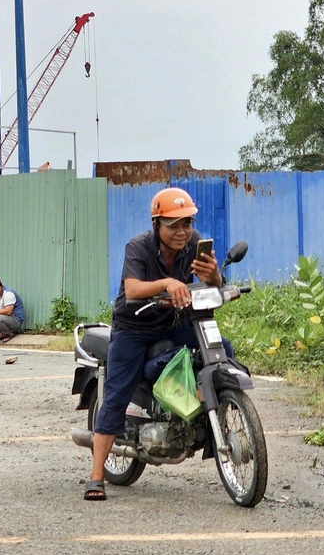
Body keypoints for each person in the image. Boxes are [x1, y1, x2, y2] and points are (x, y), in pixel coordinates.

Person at [84, 187, 228, 501]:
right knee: (117, 394)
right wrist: (166, 282)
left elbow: (213, 285)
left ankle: (205, 412)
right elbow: (133, 289)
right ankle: (96, 477)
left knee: (222, 349)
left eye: (186, 223)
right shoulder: (138, 247)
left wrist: (214, 275)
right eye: (173, 224)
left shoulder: (194, 243)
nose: (182, 231)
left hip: (173, 322)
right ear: (156, 224)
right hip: (134, 328)